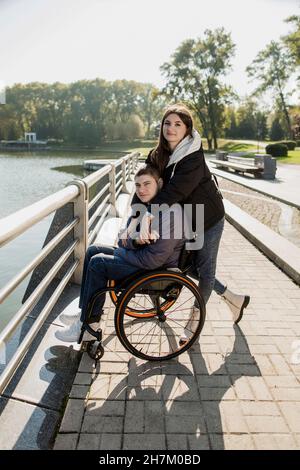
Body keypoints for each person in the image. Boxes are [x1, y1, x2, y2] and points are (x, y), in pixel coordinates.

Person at [131, 103, 249, 339]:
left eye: (178, 124)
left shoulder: (193, 157)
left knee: (205, 270)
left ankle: (194, 321)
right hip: (183, 220)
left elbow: (173, 192)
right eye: (167, 123)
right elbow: (144, 184)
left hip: (207, 219)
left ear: (187, 129)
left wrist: (148, 215)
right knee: (188, 267)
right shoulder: (157, 155)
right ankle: (233, 298)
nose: (171, 129)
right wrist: (135, 217)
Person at [55, 165, 186, 342]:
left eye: (147, 184)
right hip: (142, 259)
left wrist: (123, 251)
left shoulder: (171, 213)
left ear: (160, 183)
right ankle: (84, 313)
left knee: (98, 263)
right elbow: (122, 237)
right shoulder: (147, 208)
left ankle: (89, 327)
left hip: (156, 270)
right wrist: (133, 242)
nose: (141, 190)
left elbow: (154, 259)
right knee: (93, 250)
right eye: (138, 185)